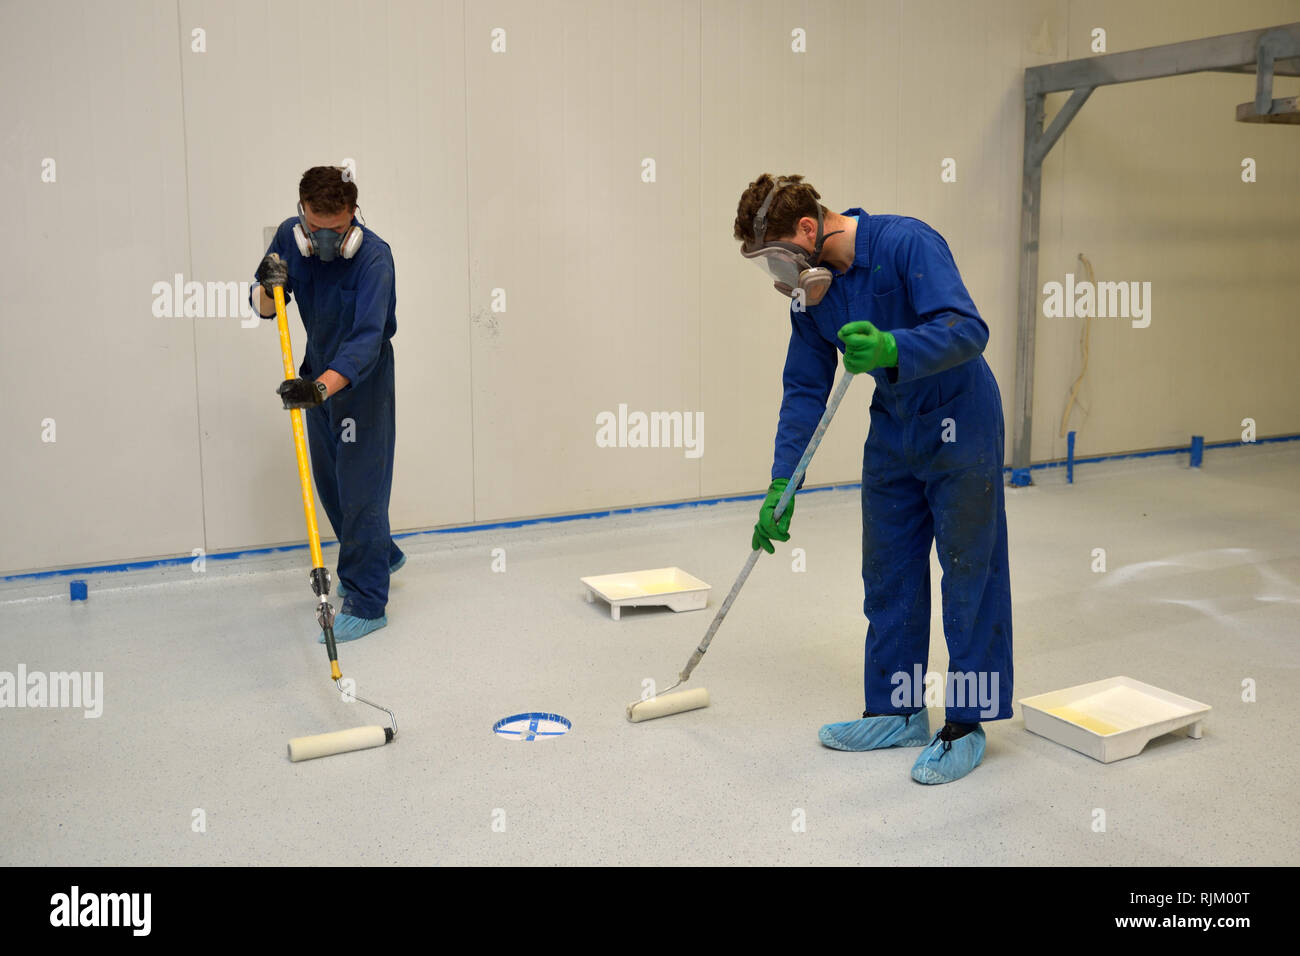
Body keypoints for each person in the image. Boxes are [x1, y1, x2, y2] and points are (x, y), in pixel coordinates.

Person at [735, 174, 1013, 784]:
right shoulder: (812, 296)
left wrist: (892, 346)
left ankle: (967, 723)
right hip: (894, 430)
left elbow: (969, 330)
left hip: (958, 421)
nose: (776, 273)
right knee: (888, 571)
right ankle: (898, 709)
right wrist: (784, 483)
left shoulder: (908, 244)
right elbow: (805, 387)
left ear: (808, 230)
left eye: (776, 256)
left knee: (971, 574)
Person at [252, 166, 404, 643]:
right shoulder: (287, 237)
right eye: (315, 229)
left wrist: (318, 390)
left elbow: (365, 342)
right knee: (330, 482)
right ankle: (380, 552)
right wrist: (268, 285)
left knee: (361, 490)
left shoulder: (374, 259)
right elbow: (264, 309)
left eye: (336, 231)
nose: (323, 241)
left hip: (362, 383)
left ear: (353, 216)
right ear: (302, 215)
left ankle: (366, 597)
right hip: (314, 372)